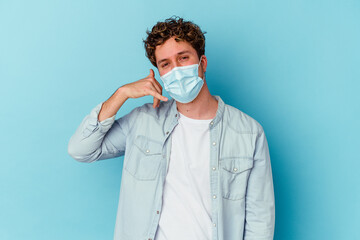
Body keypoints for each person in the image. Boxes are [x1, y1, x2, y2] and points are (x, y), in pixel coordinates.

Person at [68, 16, 275, 240]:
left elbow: (260, 221)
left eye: (183, 58)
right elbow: (81, 149)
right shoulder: (142, 121)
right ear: (159, 73)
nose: (176, 70)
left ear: (202, 63)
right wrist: (122, 94)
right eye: (165, 64)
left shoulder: (249, 132)